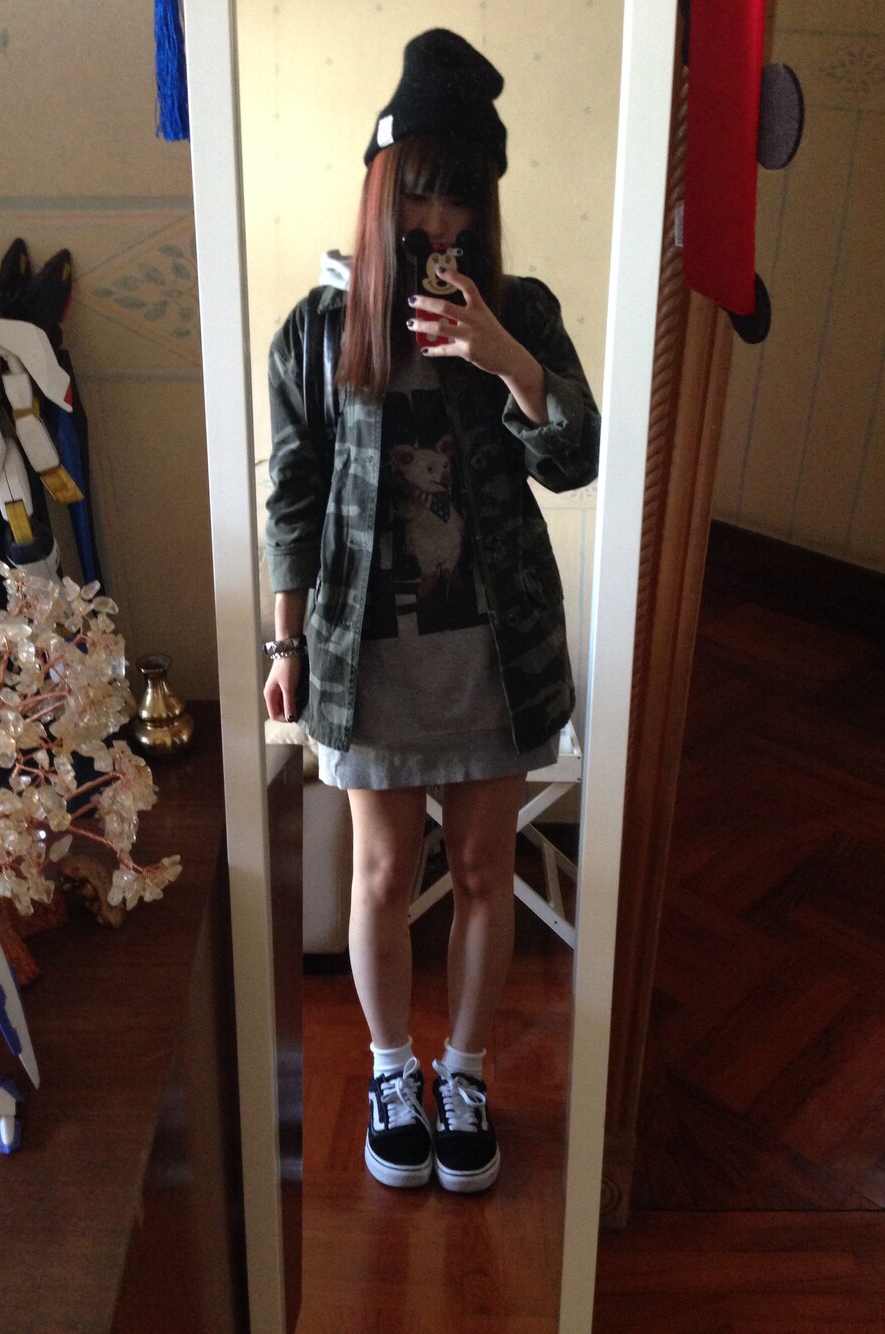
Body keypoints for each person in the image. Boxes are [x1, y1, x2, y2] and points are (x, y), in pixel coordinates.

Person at [263, 29, 600, 1194]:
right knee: (378, 875)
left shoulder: (523, 312)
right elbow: (294, 495)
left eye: (461, 197)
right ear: (381, 184)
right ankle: (391, 1069)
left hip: (494, 656)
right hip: (370, 661)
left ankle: (464, 1070)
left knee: (484, 869)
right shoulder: (318, 330)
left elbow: (575, 460)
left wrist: (507, 356)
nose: (441, 222)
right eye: (419, 193)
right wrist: (284, 639)